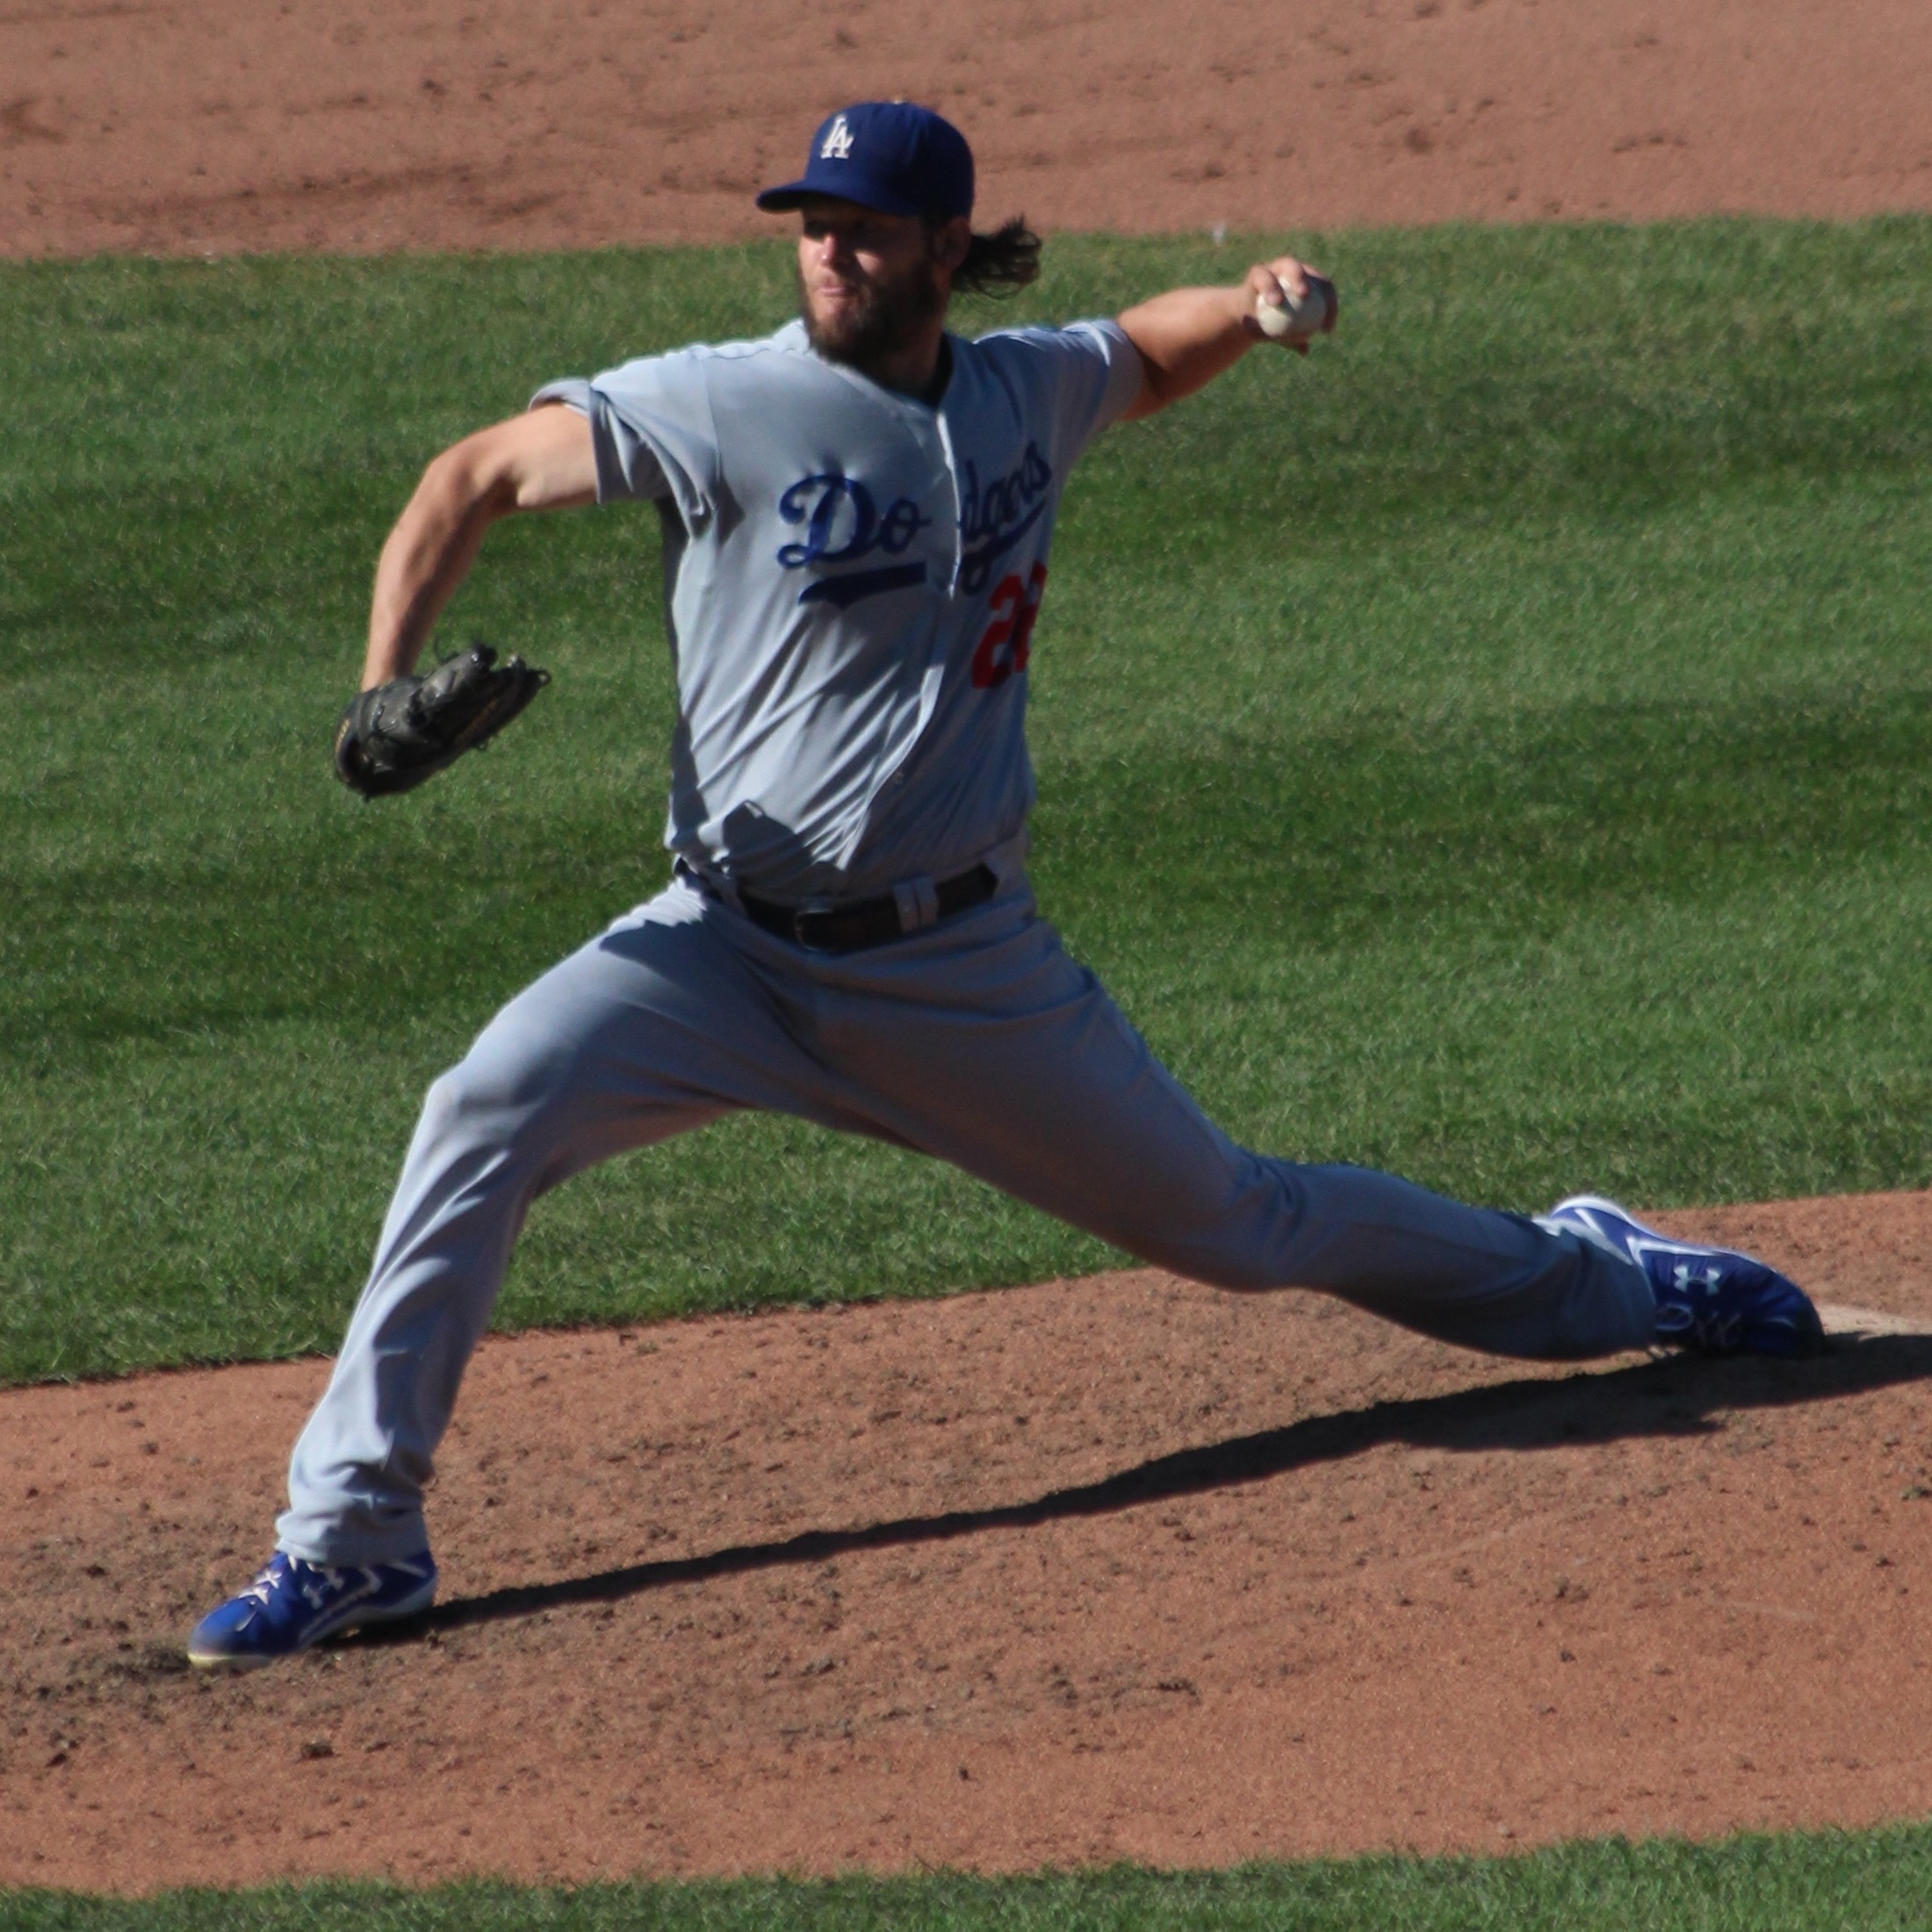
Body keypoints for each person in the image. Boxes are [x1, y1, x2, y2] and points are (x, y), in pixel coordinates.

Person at [186, 103, 1821, 1670]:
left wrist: (1256, 312)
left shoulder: (1022, 393)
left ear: (945, 244)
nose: (828, 254)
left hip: (960, 974)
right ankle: (355, 1537)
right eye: (811, 226)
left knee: (1236, 1227)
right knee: (484, 1103)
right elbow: (469, 474)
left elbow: (1146, 350)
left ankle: (1603, 1271)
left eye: (864, 230)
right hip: (721, 954)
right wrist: (376, 686)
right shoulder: (711, 402)